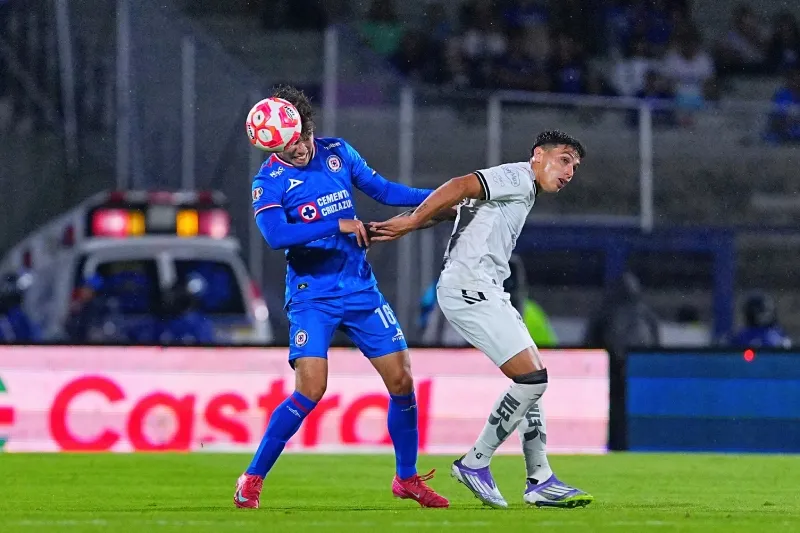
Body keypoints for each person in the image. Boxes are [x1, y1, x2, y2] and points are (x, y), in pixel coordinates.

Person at [234, 85, 449, 509]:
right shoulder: (269, 180)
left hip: (361, 290)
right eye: (280, 148)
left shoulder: (337, 152)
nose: (291, 152)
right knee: (311, 389)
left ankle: (406, 479)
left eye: (295, 142)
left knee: (403, 382)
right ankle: (252, 478)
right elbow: (276, 236)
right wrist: (339, 225)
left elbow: (385, 191)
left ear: (305, 128)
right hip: (312, 296)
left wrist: (442, 197)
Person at [370, 130, 593, 508]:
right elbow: (459, 185)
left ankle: (539, 478)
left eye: (575, 166)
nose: (570, 171)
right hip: (470, 287)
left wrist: (410, 221)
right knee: (532, 378)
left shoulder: (519, 190)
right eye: (565, 159)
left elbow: (456, 207)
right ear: (538, 155)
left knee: (531, 380)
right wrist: (410, 223)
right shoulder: (519, 176)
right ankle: (475, 462)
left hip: (487, 287)